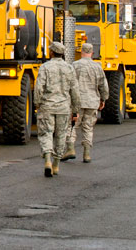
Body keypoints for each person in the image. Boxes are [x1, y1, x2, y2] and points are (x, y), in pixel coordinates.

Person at [34, 41, 80, 177]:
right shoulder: (69, 68)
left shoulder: (45, 67)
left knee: (46, 133)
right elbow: (75, 91)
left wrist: (37, 102)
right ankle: (56, 164)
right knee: (60, 135)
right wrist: (75, 110)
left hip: (47, 106)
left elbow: (38, 87)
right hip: (64, 108)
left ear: (52, 52)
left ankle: (47, 159)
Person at [63, 42, 108, 163]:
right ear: (92, 53)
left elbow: (69, 83)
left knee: (71, 126)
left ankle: (70, 149)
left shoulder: (74, 65)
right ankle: (87, 154)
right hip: (92, 101)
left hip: (77, 102)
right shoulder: (97, 66)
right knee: (88, 127)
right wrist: (103, 99)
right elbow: (103, 85)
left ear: (81, 52)